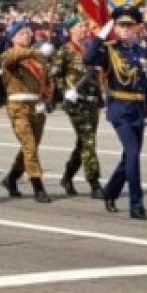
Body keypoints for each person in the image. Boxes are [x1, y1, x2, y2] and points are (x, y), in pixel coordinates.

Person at [85, 6, 147, 220]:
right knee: (133, 154)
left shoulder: (141, 50)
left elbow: (146, 84)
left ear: (136, 28)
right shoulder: (109, 49)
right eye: (121, 26)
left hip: (138, 110)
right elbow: (88, 58)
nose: (125, 30)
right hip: (120, 109)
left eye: (129, 26)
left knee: (129, 158)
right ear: (115, 27)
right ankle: (136, 204)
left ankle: (110, 192)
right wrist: (102, 33)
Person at [0, 22, 55, 203]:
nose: (27, 36)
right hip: (18, 106)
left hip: (36, 106)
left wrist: (47, 98)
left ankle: (12, 178)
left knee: (30, 148)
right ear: (13, 37)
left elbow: (46, 81)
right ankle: (37, 185)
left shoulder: (37, 59)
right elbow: (11, 59)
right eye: (22, 33)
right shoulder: (9, 54)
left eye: (29, 34)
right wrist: (37, 51)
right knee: (29, 147)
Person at [54, 17, 103, 198]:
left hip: (91, 101)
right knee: (89, 140)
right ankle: (94, 182)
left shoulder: (90, 50)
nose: (84, 29)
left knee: (83, 142)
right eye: (80, 26)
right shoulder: (65, 51)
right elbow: (55, 75)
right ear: (70, 31)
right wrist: (64, 92)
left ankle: (67, 176)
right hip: (75, 103)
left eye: (85, 26)